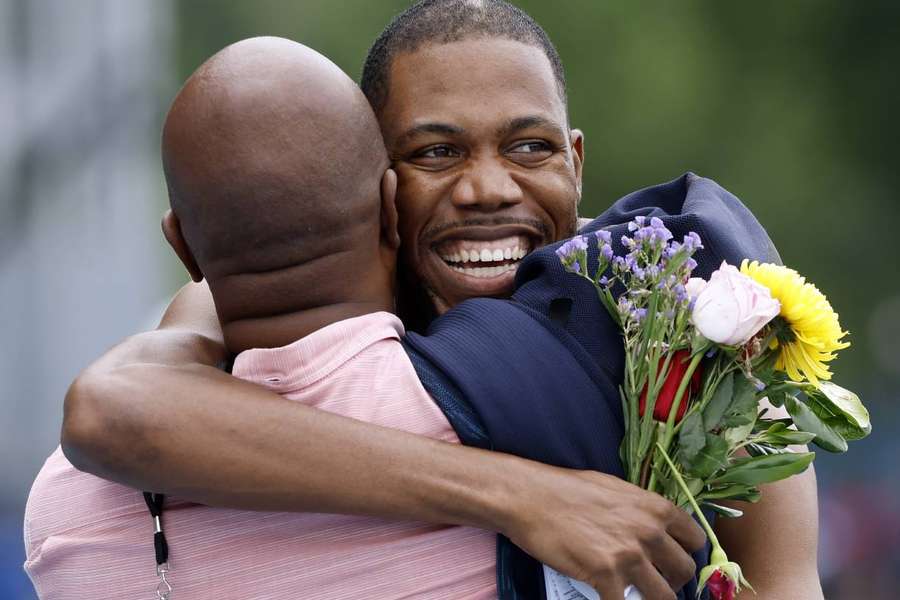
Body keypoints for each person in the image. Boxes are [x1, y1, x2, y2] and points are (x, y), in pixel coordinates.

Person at [60, 1, 822, 598]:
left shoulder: (688, 320)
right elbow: (108, 414)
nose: (489, 189)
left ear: (577, 161)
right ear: (377, 187)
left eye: (531, 147)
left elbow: (781, 585)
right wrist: (522, 496)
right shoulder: (288, 309)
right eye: (437, 152)